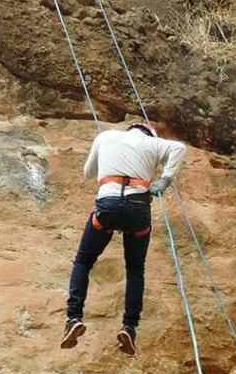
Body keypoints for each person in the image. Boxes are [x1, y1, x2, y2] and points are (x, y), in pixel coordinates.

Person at [61, 122, 187, 356]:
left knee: (83, 262)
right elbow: (178, 148)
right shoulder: (153, 143)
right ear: (149, 133)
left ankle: (74, 318)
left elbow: (88, 172)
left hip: (107, 208)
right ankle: (129, 327)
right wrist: (165, 180)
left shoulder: (106, 136)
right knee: (135, 270)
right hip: (138, 211)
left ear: (130, 129)